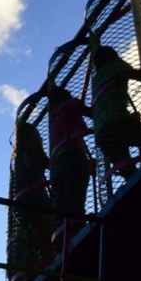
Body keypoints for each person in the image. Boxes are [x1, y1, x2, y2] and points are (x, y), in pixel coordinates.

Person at [91, 44, 141, 179]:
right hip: (119, 122)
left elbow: (106, 106)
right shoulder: (115, 65)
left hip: (102, 135)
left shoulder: (95, 80)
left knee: (130, 173)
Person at [47, 81, 93, 248]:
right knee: (75, 198)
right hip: (73, 156)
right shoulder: (69, 104)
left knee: (60, 204)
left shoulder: (52, 118)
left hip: (56, 164)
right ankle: (78, 231)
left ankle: (62, 239)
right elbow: (92, 113)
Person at [11, 121, 53, 263]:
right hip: (34, 200)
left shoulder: (19, 156)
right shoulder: (31, 147)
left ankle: (39, 261)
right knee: (46, 240)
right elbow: (46, 162)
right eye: (37, 135)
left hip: (24, 201)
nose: (40, 138)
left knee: (37, 239)